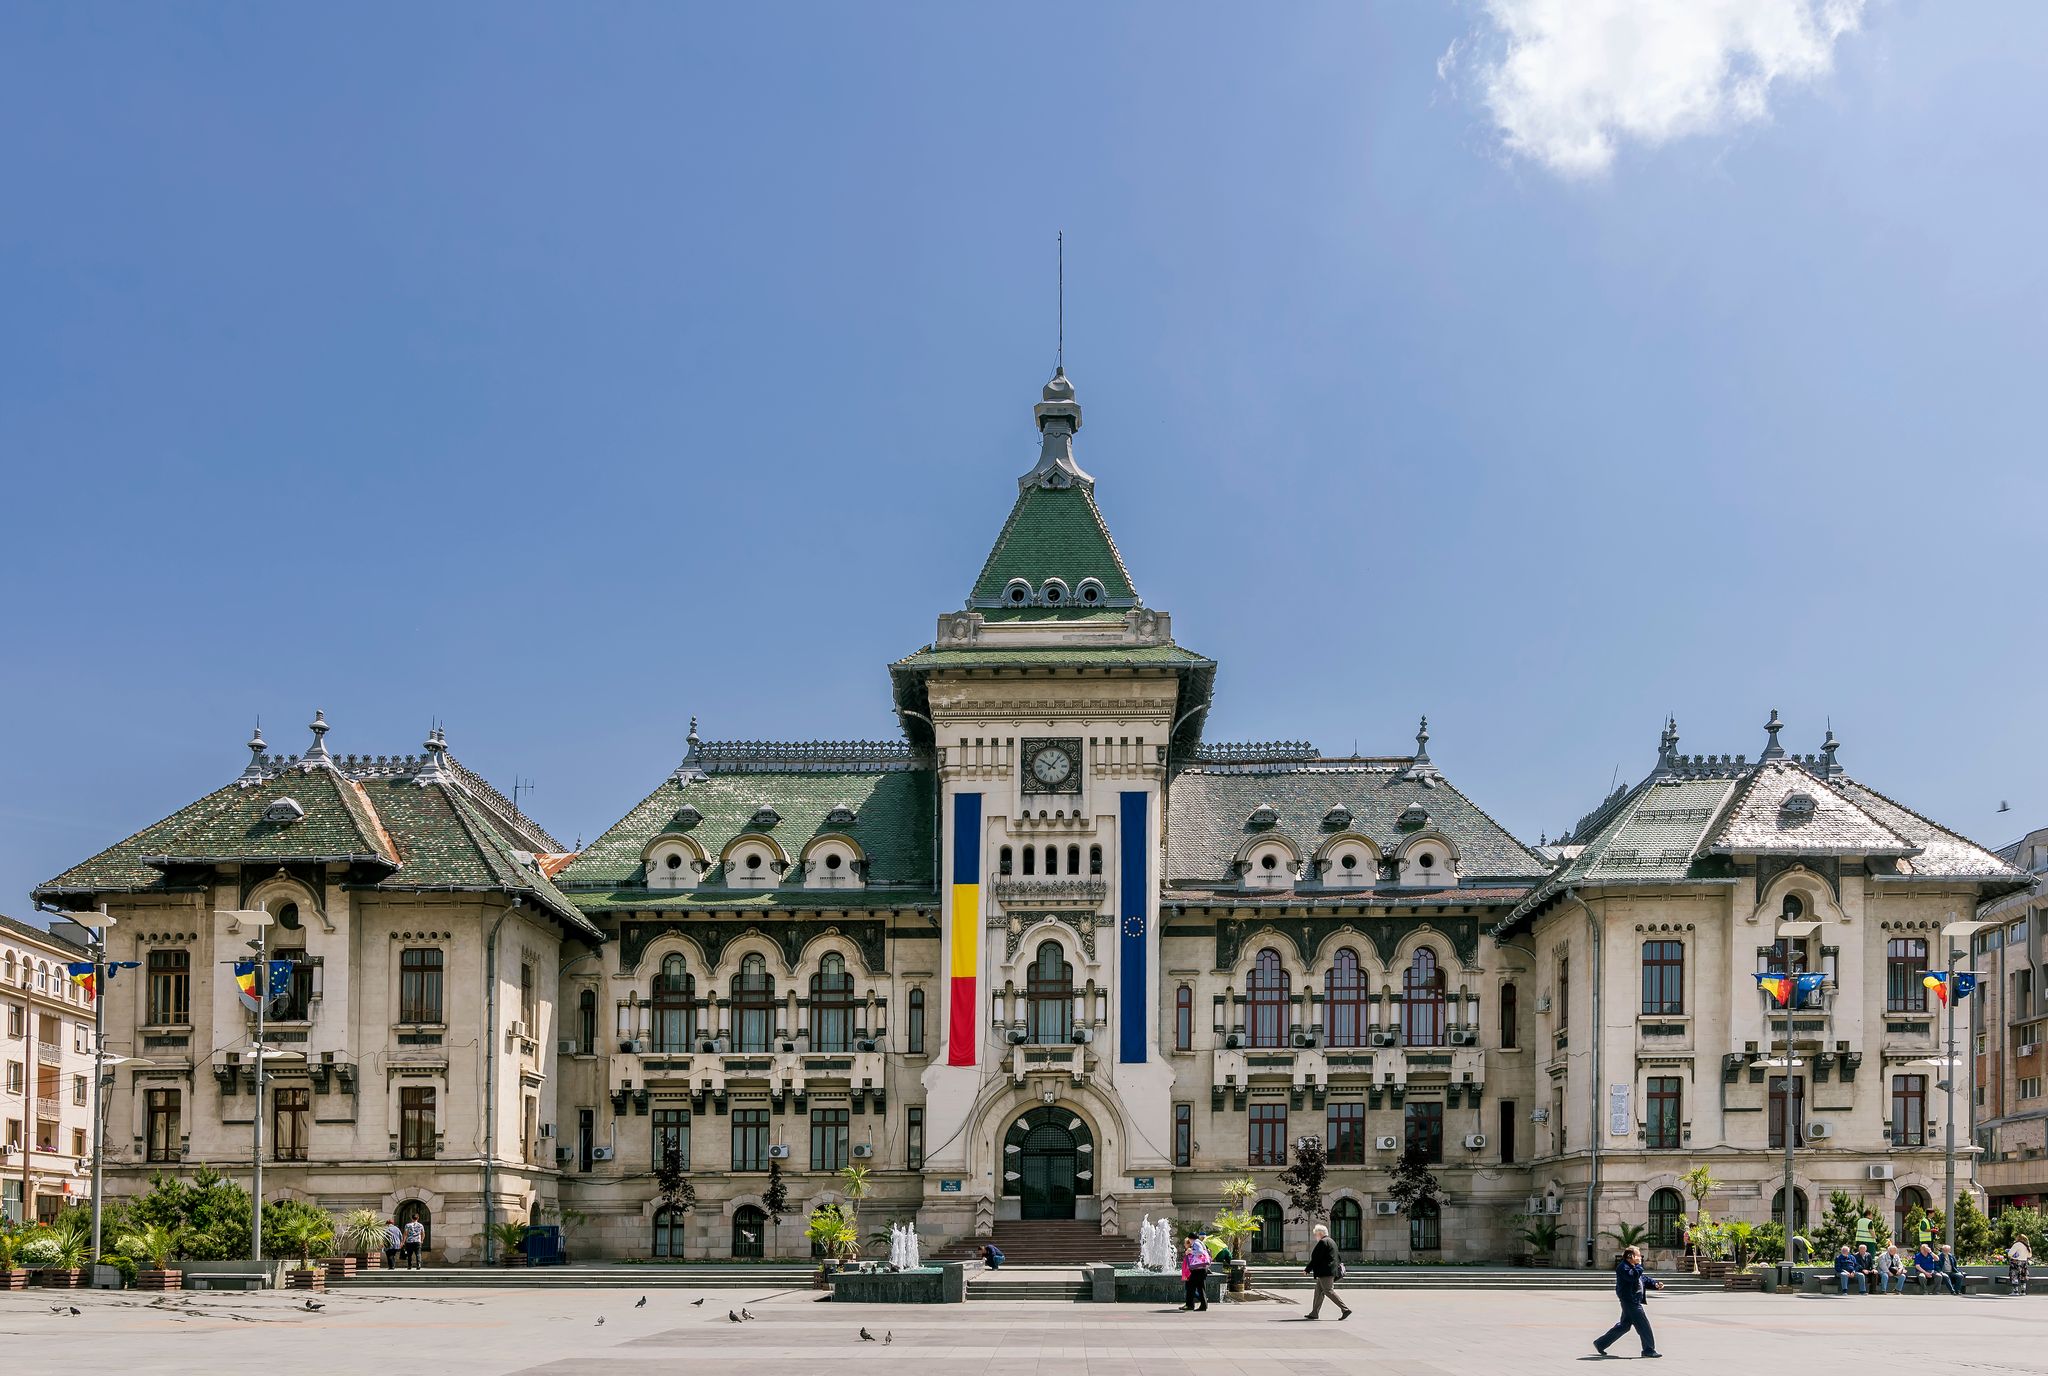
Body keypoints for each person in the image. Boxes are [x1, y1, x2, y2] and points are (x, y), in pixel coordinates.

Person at [1594, 1245, 1662, 1360]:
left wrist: (1655, 1284)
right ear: (1631, 1256)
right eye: (1638, 1255)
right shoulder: (1623, 1267)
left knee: (1624, 1326)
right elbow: (1633, 1277)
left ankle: (1601, 1343)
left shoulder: (1633, 1267)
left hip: (1632, 1301)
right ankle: (1648, 1350)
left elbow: (1642, 1279)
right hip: (1630, 1301)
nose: (1640, 1257)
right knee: (1643, 1325)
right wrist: (1639, 1265)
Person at [1303, 1223, 1352, 1321]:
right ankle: (1314, 1313)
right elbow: (1338, 1257)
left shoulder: (1323, 1242)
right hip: (1329, 1271)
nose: (1315, 1236)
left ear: (1320, 1233)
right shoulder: (1331, 1241)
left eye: (1316, 1234)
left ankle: (1345, 1309)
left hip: (1326, 1272)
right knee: (1318, 1292)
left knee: (1328, 1290)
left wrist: (1307, 1269)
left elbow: (1316, 1258)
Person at [1180, 1234, 1211, 1312]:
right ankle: (1202, 1305)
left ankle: (1190, 1305)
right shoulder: (1200, 1243)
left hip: (1198, 1269)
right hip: (1201, 1269)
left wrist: (1191, 1251)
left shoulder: (1196, 1243)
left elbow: (1200, 1252)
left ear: (1190, 1239)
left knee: (1191, 1286)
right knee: (1199, 1287)